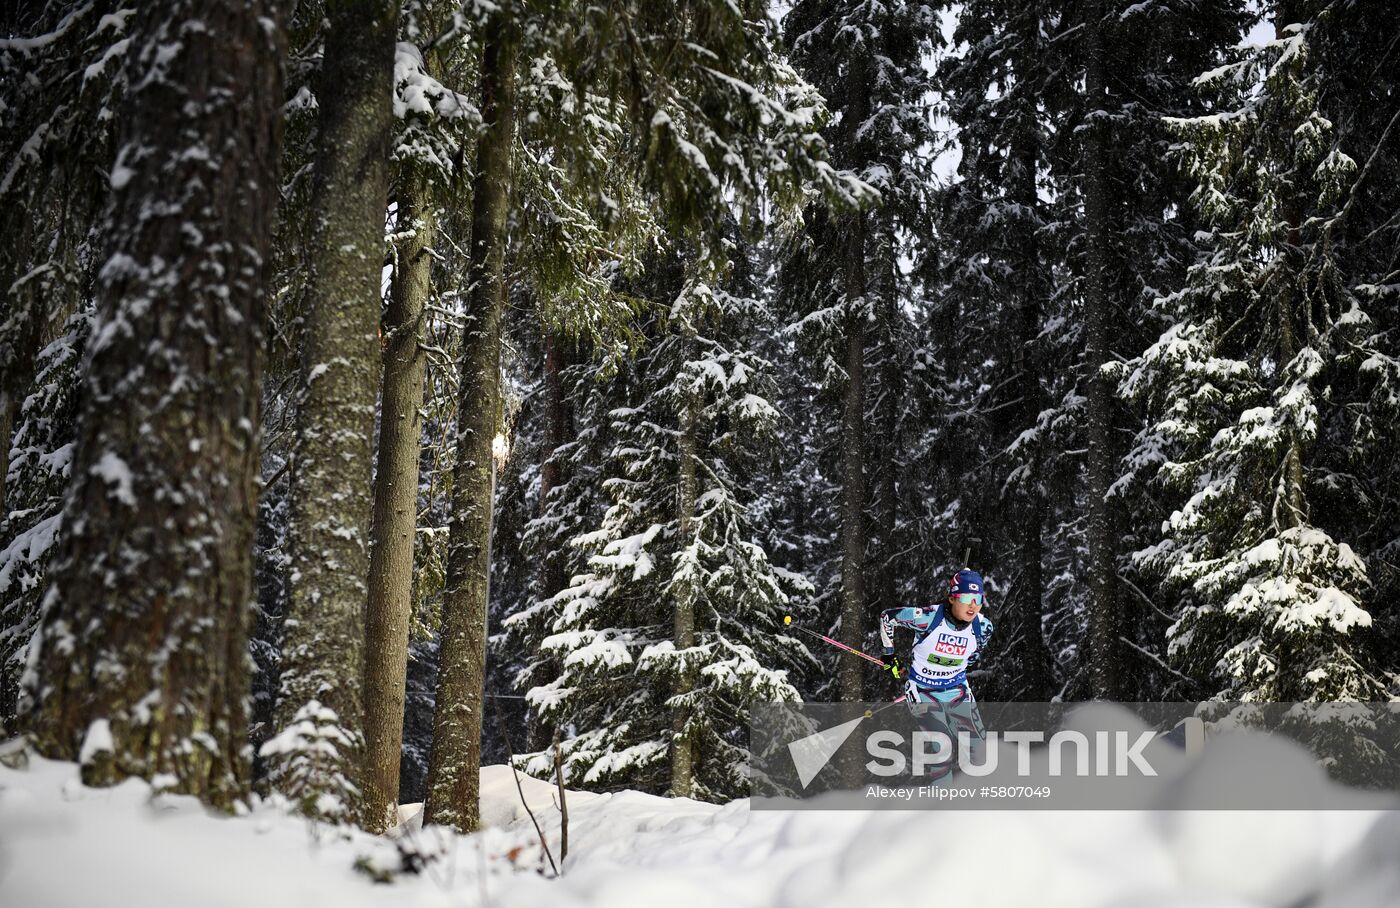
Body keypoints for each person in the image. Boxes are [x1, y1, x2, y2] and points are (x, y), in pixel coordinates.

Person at [879, 568, 993, 782]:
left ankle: (982, 802)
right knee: (941, 747)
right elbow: (888, 617)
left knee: (979, 748)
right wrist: (889, 655)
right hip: (922, 691)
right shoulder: (928, 617)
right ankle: (942, 810)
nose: (973, 605)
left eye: (978, 599)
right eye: (967, 598)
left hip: (957, 690)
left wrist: (948, 673)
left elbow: (971, 657)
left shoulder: (983, 627)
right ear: (952, 598)